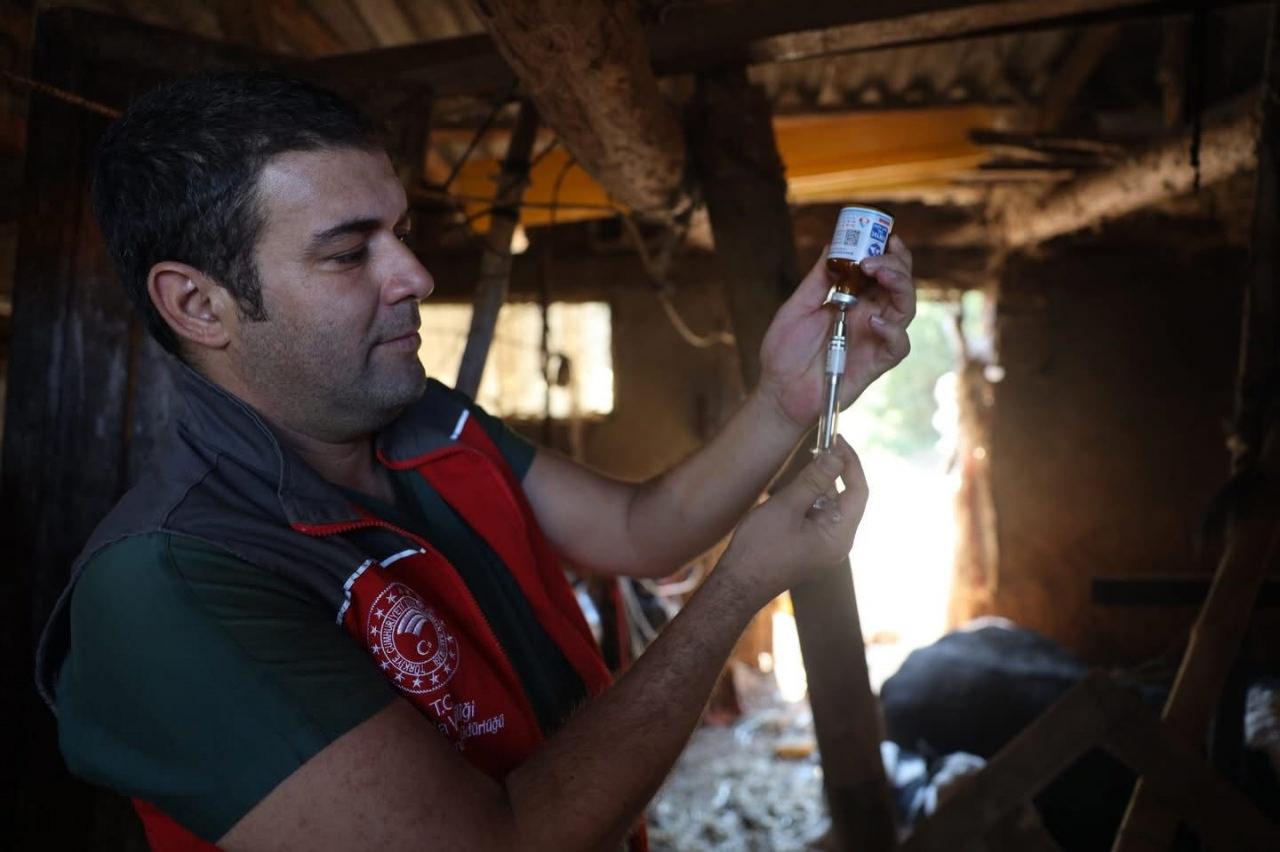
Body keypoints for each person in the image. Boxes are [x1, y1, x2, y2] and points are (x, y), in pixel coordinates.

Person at [35, 72, 915, 851]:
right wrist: (736, 592)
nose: (415, 273)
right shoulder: (173, 586)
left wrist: (783, 400)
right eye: (350, 251)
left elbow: (640, 532)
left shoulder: (420, 420)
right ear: (198, 303)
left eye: (402, 232)